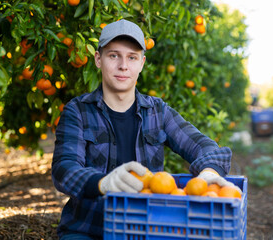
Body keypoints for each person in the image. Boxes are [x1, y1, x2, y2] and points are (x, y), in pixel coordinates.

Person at [52, 19, 234, 240]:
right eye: (113, 56)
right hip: (89, 228)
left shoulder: (158, 111)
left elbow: (204, 146)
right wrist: (102, 183)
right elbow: (64, 169)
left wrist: (208, 174)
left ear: (142, 63)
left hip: (148, 228)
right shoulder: (78, 111)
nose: (123, 66)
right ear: (98, 60)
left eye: (132, 57)